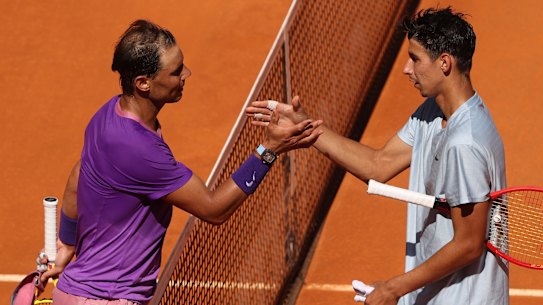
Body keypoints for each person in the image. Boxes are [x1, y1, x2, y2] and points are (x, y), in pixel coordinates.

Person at [37, 19, 323, 305]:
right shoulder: (139, 149)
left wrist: (67, 242)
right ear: (144, 83)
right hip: (107, 299)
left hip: (77, 292)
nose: (186, 74)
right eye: (175, 72)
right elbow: (214, 209)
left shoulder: (108, 115)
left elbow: (78, 176)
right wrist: (269, 149)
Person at [246, 7, 508, 305]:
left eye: (415, 59)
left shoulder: (465, 143)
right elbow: (379, 164)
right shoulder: (434, 114)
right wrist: (308, 129)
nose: (407, 69)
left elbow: (469, 244)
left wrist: (394, 288)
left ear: (444, 63)